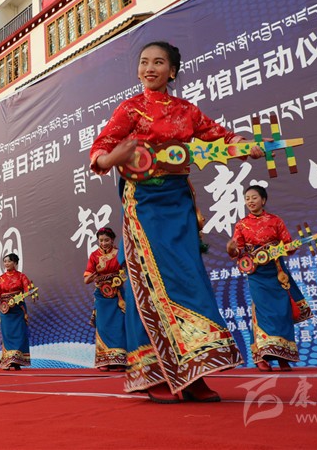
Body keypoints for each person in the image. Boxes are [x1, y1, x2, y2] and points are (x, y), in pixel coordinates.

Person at [90, 40, 265, 403]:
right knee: (149, 281)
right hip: (144, 203)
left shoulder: (187, 111)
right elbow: (102, 147)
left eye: (158, 62)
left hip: (178, 202)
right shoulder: (130, 108)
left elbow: (220, 136)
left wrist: (242, 144)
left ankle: (194, 369)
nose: (149, 68)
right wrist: (109, 159)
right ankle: (153, 372)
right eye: (144, 62)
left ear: (172, 71)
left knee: (188, 277)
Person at [227, 185, 312, 372]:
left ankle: (283, 356)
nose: (250, 201)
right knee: (262, 313)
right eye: (247, 198)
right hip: (257, 275)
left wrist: (291, 246)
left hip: (277, 271)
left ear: (263, 200)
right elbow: (238, 251)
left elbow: (288, 246)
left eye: (254, 197)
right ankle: (261, 357)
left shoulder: (275, 221)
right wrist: (232, 249)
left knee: (282, 311)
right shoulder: (241, 225)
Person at [83, 227, 126, 372]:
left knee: (119, 325)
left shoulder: (119, 253)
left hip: (117, 294)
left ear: (112, 240)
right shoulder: (94, 256)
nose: (104, 243)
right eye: (101, 240)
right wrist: (92, 277)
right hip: (101, 295)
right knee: (102, 326)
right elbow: (86, 280)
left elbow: (126, 272)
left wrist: (119, 277)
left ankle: (119, 360)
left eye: (106, 240)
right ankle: (104, 360)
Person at [0, 253, 34, 371]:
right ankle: (8, 361)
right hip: (6, 311)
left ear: (15, 263)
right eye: (5, 261)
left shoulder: (21, 276)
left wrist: (30, 292)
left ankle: (17, 361)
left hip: (18, 310)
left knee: (20, 334)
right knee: (7, 335)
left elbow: (28, 290)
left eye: (9, 261)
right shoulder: (1, 278)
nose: (6, 263)